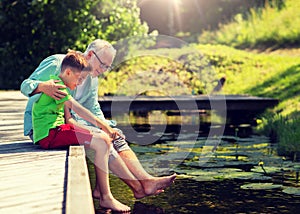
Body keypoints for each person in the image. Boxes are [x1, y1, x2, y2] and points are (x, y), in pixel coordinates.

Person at [21, 39, 176, 200]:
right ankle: (136, 188)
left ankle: (146, 180)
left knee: (115, 136)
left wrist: (109, 127)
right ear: (89, 54)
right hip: (43, 128)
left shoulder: (92, 79)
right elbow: (26, 85)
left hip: (67, 122)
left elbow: (92, 107)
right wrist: (43, 87)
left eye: (107, 67)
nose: (103, 70)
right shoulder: (59, 63)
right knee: (101, 140)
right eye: (102, 64)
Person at [32, 51, 130, 212]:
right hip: (50, 134)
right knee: (102, 142)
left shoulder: (62, 86)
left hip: (55, 131)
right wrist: (105, 127)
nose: (79, 83)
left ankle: (101, 190)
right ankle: (106, 197)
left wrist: (96, 131)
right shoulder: (59, 86)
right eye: (79, 79)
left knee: (102, 138)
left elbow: (69, 120)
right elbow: (80, 110)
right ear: (68, 72)